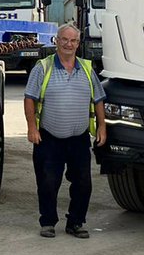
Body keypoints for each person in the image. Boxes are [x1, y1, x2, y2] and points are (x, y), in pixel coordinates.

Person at [24, 23, 106, 239]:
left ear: (78, 44)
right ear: (56, 41)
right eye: (65, 39)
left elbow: (98, 100)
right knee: (48, 182)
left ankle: (76, 222)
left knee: (83, 184)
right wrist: (32, 128)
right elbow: (30, 99)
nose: (69, 44)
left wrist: (102, 127)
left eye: (73, 41)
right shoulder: (42, 68)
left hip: (78, 139)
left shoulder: (87, 69)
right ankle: (48, 222)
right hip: (49, 137)